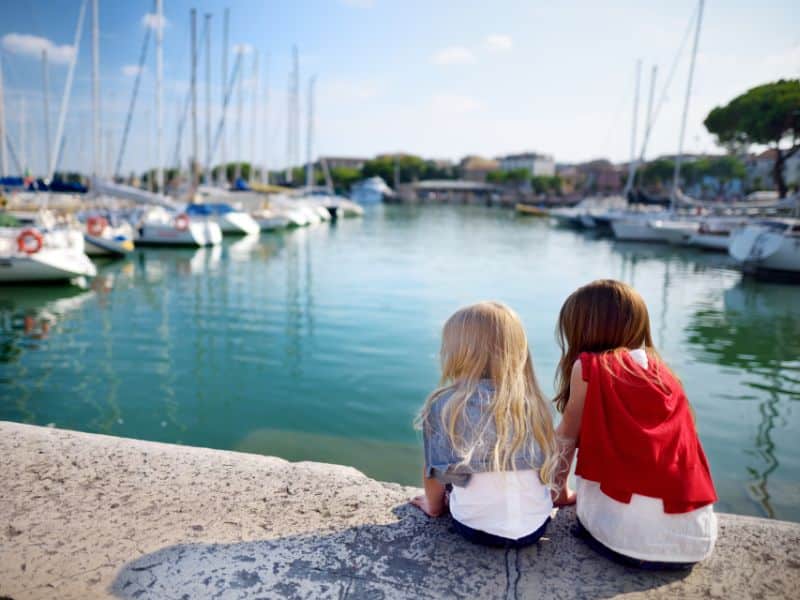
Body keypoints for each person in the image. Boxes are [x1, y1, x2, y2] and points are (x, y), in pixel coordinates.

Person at [552, 279, 717, 569]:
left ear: (583, 329)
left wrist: (559, 492)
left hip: (624, 541)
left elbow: (566, 438)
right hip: (696, 542)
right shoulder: (663, 373)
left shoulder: (589, 367)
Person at [410, 301, 559, 548]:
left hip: (474, 528)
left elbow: (434, 473)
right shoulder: (535, 402)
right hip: (536, 525)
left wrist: (433, 507)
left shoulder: (445, 405)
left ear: (458, 352)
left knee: (451, 474)